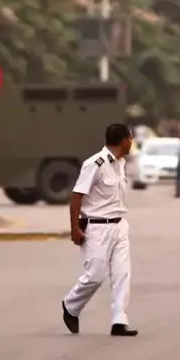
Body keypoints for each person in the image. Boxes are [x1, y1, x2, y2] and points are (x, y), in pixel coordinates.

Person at [61, 123, 139, 337]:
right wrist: (74, 228)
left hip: (119, 226)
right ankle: (70, 305)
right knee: (95, 275)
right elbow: (77, 196)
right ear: (125, 141)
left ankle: (119, 321)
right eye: (131, 139)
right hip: (97, 227)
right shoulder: (95, 164)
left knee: (122, 274)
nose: (132, 143)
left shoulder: (121, 163)